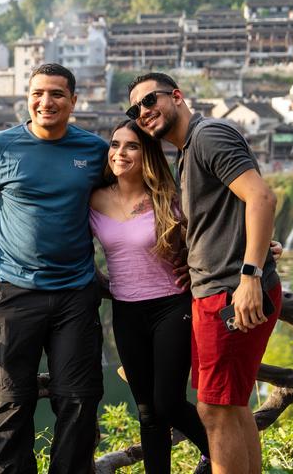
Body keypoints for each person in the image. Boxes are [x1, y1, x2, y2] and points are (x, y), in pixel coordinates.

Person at [127, 72, 281, 474]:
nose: (143, 113)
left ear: (176, 96)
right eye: (135, 109)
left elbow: (261, 197)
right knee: (232, 404)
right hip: (218, 289)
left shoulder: (209, 135)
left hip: (231, 292)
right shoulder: (188, 151)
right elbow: (232, 213)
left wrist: (251, 273)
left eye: (149, 101)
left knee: (212, 410)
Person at [0, 63, 108, 474]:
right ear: (27, 98)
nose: (46, 102)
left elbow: (137, 202)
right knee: (9, 402)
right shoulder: (0, 146)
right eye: (38, 93)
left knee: (78, 400)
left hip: (76, 294)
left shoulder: (94, 151)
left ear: (74, 101)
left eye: (57, 94)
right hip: (14, 294)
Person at [89, 118, 211, 474]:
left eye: (131, 146)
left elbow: (209, 236)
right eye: (114, 145)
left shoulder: (168, 198)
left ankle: (215, 452)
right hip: (126, 312)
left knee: (168, 402)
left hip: (172, 306)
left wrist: (265, 248)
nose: (120, 153)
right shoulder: (94, 200)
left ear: (148, 154)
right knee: (147, 412)